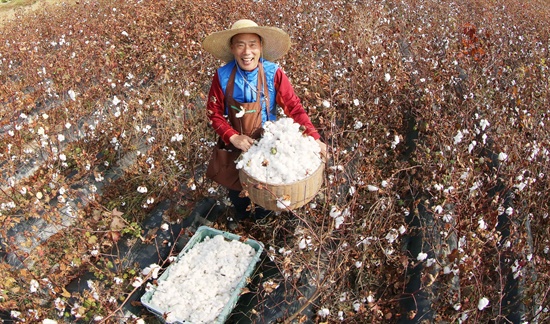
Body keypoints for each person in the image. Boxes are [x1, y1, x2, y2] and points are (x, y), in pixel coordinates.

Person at [203, 19, 326, 229]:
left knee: (268, 195)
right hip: (235, 147)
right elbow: (213, 112)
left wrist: (315, 137)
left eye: (252, 44)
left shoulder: (273, 73)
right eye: (240, 45)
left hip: (266, 147)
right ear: (232, 48)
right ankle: (247, 226)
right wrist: (233, 136)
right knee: (239, 196)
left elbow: (293, 108)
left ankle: (267, 226)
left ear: (261, 47)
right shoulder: (223, 76)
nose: (247, 51)